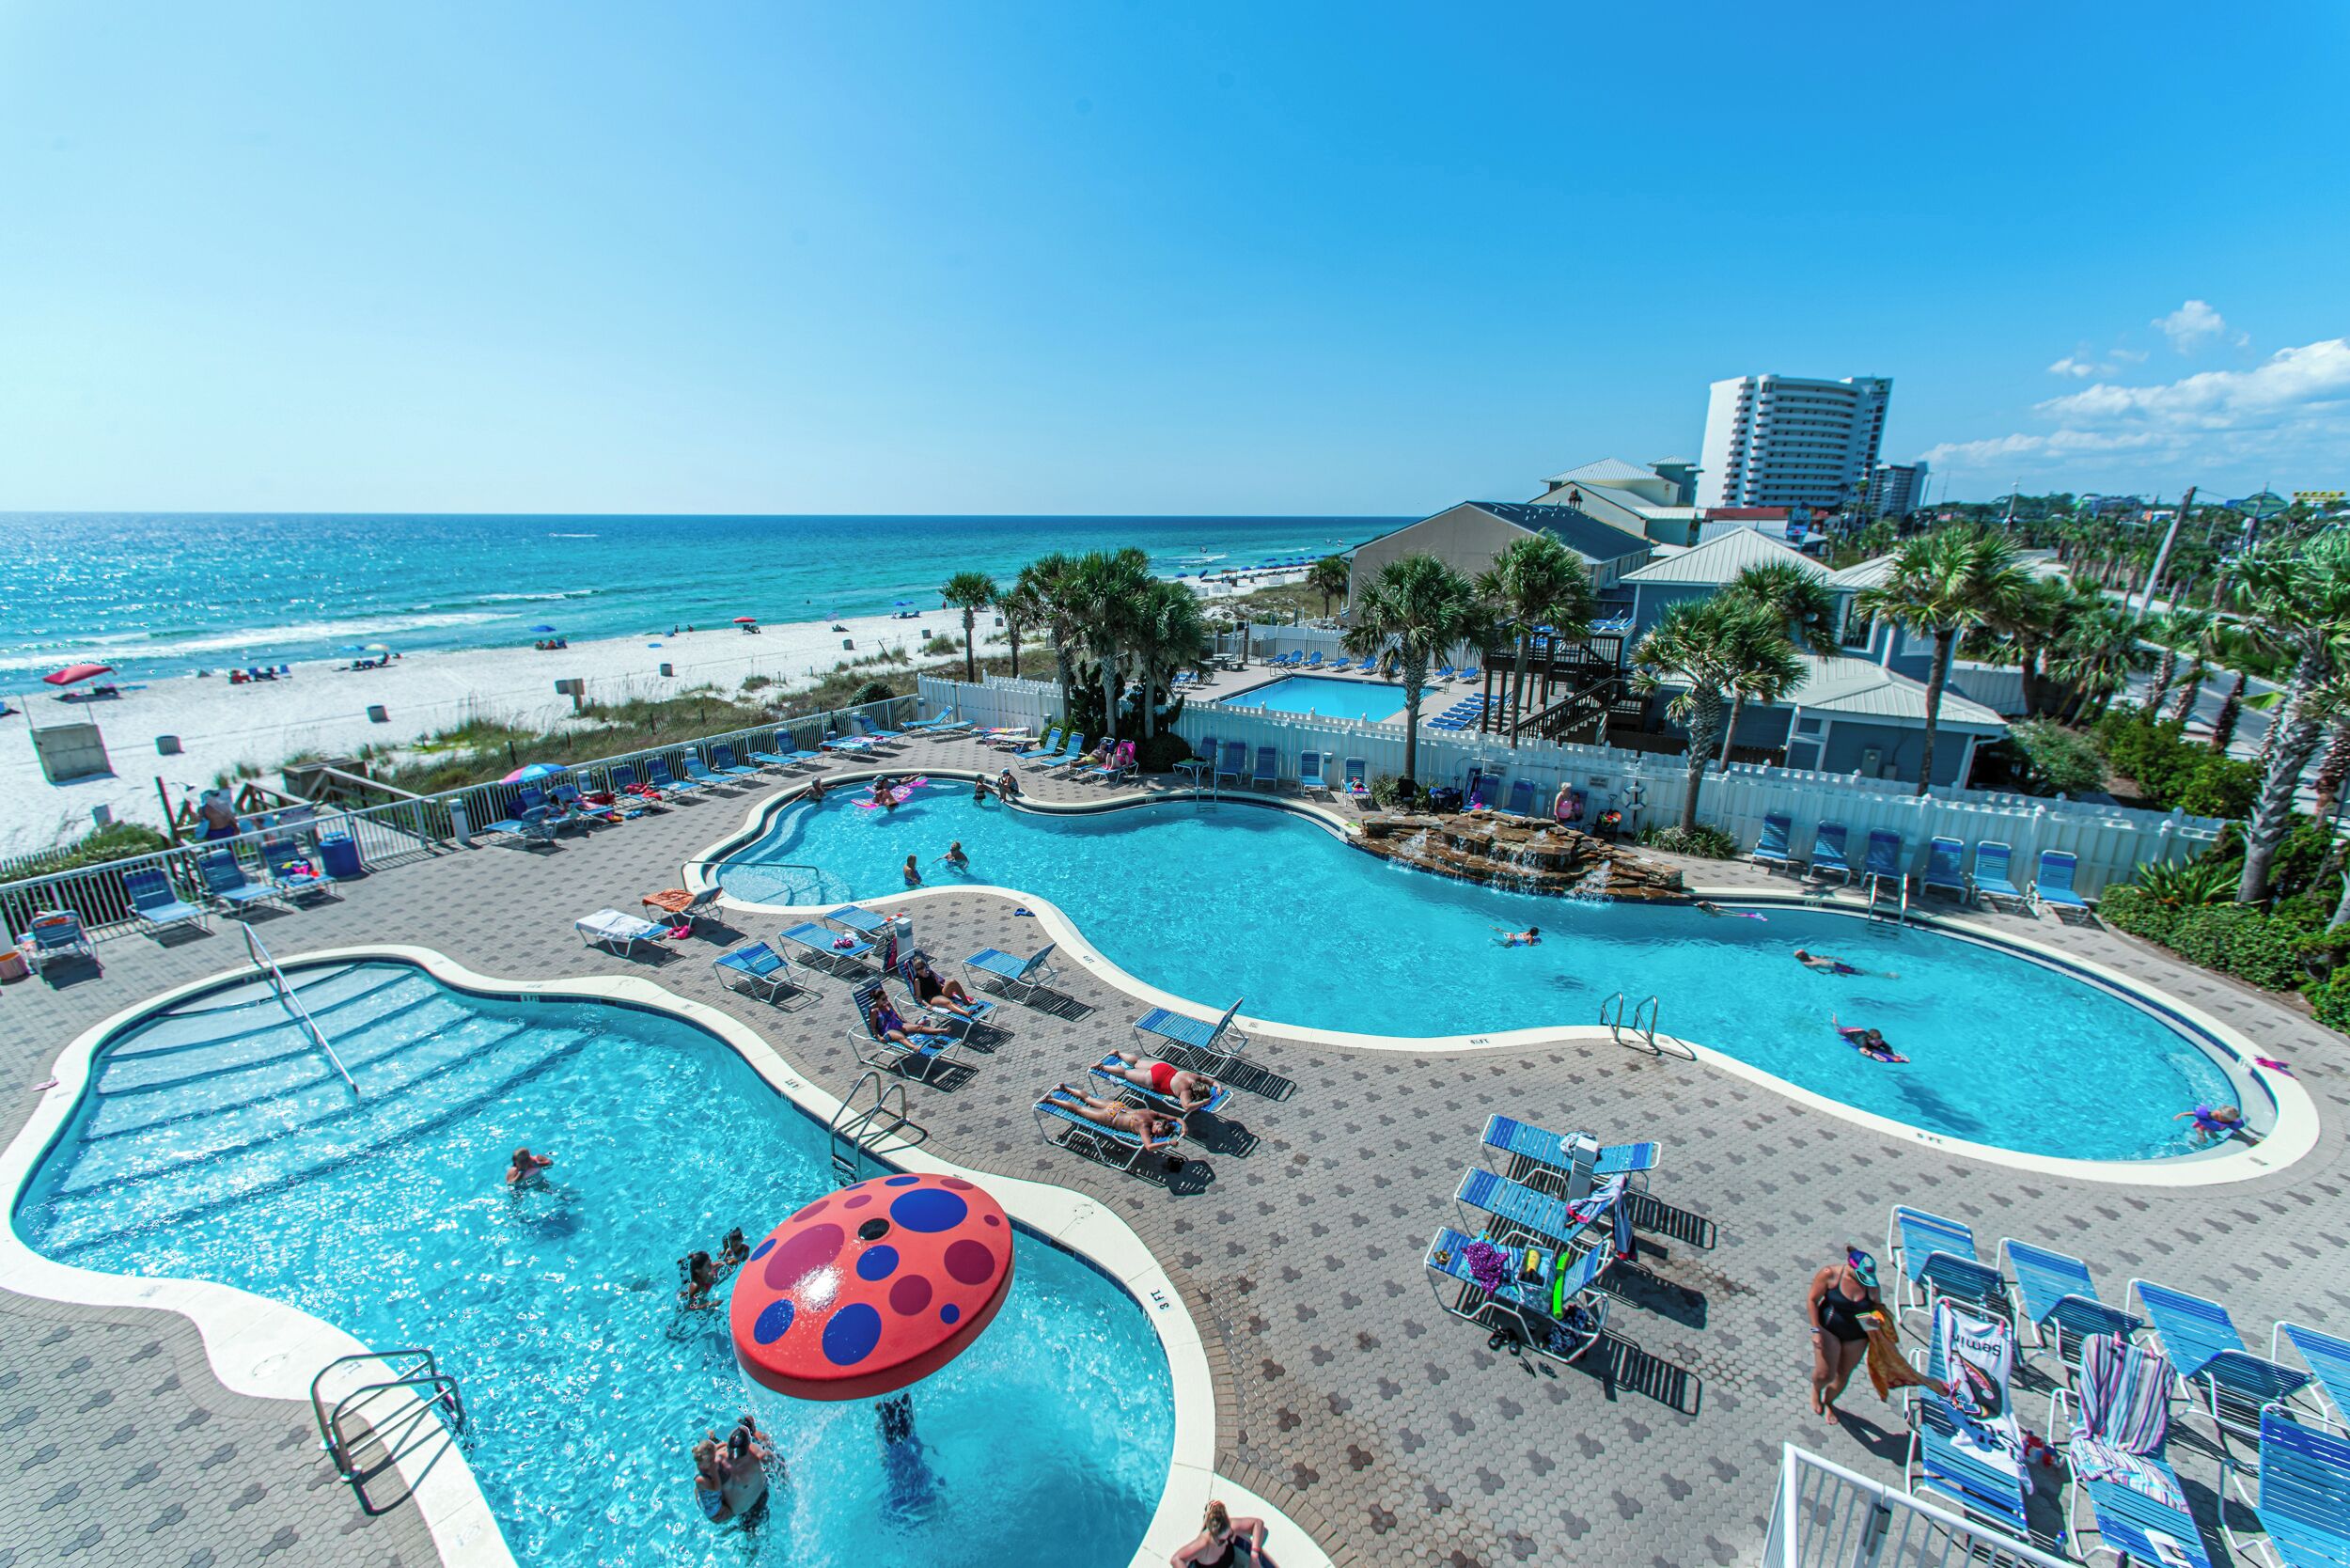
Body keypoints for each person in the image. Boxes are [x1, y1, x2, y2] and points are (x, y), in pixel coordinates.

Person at [1806, 1247, 1884, 1426]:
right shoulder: (1830, 1274)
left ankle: (1829, 1402)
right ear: (1851, 1267)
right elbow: (1812, 1300)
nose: (1865, 1281)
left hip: (1857, 1335)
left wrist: (1876, 1323)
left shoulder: (1871, 1286)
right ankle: (1816, 1391)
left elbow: (1876, 1310)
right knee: (1825, 1374)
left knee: (1843, 1374)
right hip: (1830, 1329)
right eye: (1862, 1276)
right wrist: (1815, 1330)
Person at [1044, 1085, 1183, 1152]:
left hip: (1117, 1106)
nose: (1154, 1134)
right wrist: (1168, 1143)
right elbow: (1149, 1147)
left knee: (1088, 1098)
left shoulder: (1152, 1113)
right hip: (1110, 1117)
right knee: (1078, 1109)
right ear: (1158, 1124)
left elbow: (1177, 1118)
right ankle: (1051, 1099)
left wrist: (1184, 1126)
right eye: (1157, 1131)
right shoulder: (1144, 1127)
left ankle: (1064, 1087)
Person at [1098, 1049, 1219, 1111]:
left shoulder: (1194, 1077)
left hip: (1163, 1067)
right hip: (1155, 1079)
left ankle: (1118, 1053)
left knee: (1136, 1063)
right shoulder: (1185, 1091)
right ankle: (1101, 1067)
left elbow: (1210, 1081)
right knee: (1125, 1073)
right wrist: (1203, 1102)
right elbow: (1187, 1107)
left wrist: (1218, 1085)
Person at [1171, 1499, 1272, 1568]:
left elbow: (1258, 1523)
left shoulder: (1230, 1527)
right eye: (1222, 1541)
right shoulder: (1203, 1544)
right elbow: (1176, 1559)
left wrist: (1254, 1556)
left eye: (1230, 1536)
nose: (1227, 1542)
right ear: (1211, 1535)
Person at [865, 988, 959, 1050]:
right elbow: (873, 1028)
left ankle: (941, 1030)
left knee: (919, 1027)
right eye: (883, 999)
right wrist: (879, 1037)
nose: (886, 1000)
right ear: (876, 1000)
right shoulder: (874, 1011)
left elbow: (897, 1016)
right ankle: (915, 1048)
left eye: (886, 997)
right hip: (888, 1031)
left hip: (898, 1024)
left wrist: (908, 1023)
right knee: (901, 1037)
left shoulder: (888, 1004)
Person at [906, 955, 979, 1015]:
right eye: (918, 969)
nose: (920, 970)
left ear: (925, 966)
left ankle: (967, 1002)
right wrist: (927, 1005)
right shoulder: (917, 980)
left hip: (940, 992)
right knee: (948, 1002)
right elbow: (919, 997)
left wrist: (949, 988)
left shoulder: (931, 973)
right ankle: (966, 1013)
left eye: (921, 967)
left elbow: (939, 985)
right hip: (932, 998)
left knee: (952, 982)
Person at [1831, 1014, 1906, 1064]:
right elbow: (1862, 1050)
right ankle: (1835, 1021)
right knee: (1837, 1029)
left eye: (1879, 1041)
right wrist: (1872, 1054)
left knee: (1878, 1044)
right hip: (1849, 1031)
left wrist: (1894, 1055)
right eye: (1876, 1041)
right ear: (1869, 1039)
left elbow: (1889, 1049)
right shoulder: (1862, 1040)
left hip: (1861, 1030)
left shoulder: (1880, 1041)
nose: (1879, 1043)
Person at [2175, 1103, 2245, 1145]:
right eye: (2235, 1118)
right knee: (2201, 1136)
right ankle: (2197, 1144)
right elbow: (2195, 1113)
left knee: (2214, 1136)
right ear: (2223, 1116)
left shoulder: (2230, 1120)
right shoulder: (2213, 1115)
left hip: (2212, 1127)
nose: (2236, 1119)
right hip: (2203, 1125)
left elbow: (2235, 1129)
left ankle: (2217, 1141)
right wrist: (2182, 1114)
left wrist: (2246, 1138)